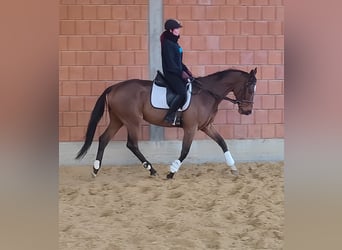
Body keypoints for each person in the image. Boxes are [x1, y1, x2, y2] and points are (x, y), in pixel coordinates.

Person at [160, 19, 193, 125]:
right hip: (171, 74)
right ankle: (170, 116)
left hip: (177, 72)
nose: (179, 30)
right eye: (177, 28)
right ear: (171, 30)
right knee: (182, 92)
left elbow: (179, 62)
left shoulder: (174, 43)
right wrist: (181, 73)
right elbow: (171, 64)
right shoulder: (168, 44)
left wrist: (186, 70)